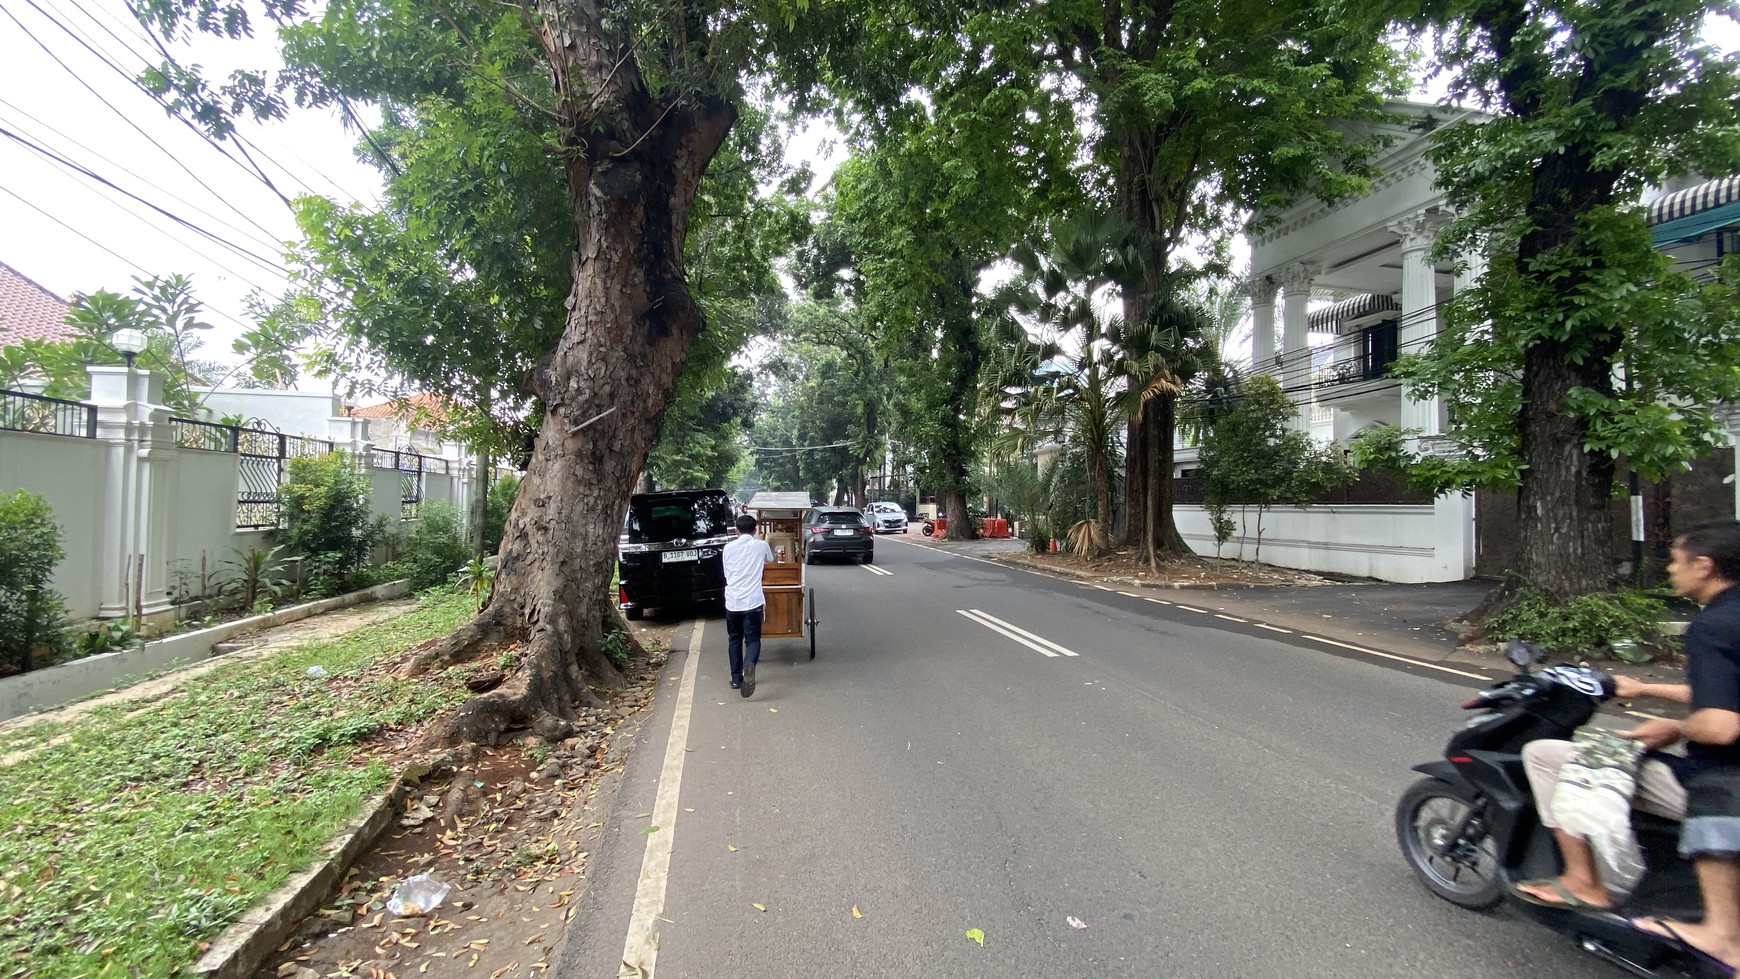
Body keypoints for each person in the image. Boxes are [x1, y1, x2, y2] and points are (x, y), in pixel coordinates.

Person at [1514, 521, 1740, 970]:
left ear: (1704, 566)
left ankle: (1583, 882)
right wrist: (1646, 690)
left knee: (1549, 756)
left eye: (1675, 562)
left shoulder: (1712, 627)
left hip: (1722, 782)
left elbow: (1719, 726)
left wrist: (1676, 729)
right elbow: (1727, 693)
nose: (1671, 572)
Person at [722, 512, 774, 698]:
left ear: (737, 530)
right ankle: (749, 665)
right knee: (752, 640)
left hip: (733, 601)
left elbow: (727, 574)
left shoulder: (728, 548)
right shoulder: (761, 545)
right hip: (753, 601)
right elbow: (772, 560)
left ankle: (736, 679)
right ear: (755, 530)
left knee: (734, 639)